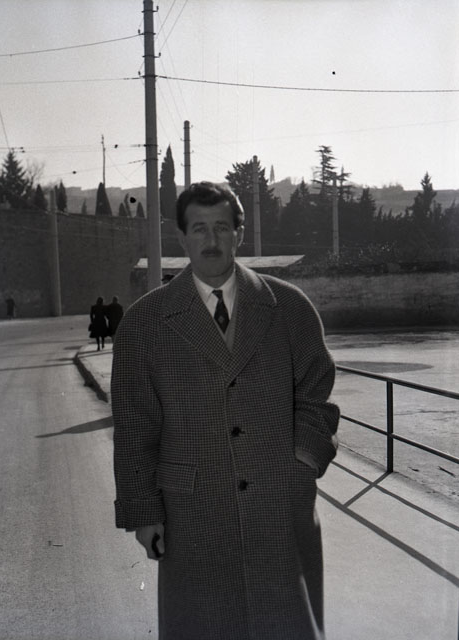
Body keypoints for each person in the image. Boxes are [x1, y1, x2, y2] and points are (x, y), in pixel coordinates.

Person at [112, 181, 339, 640]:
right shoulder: (144, 323)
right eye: (199, 228)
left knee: (286, 626)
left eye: (221, 227)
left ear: (240, 233)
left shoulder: (289, 307)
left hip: (280, 510)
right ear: (182, 237)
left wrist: (303, 462)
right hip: (193, 514)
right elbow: (135, 426)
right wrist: (144, 512)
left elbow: (317, 396)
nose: (211, 240)